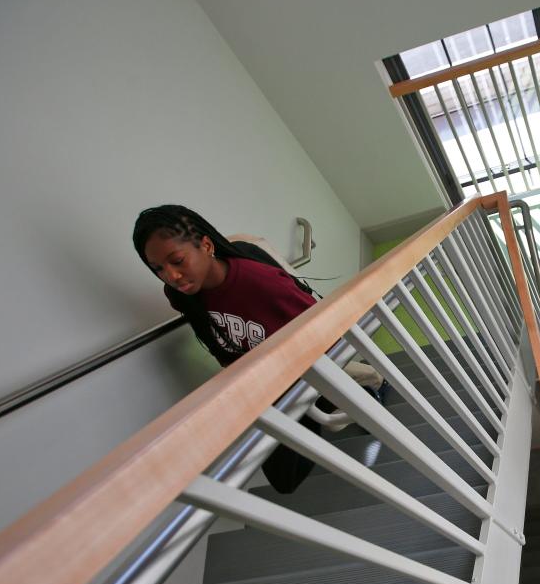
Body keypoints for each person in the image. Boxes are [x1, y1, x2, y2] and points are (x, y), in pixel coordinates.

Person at [132, 204, 383, 493]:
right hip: (269, 383)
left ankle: (367, 393)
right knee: (284, 479)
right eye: (159, 269)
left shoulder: (260, 282)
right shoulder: (181, 296)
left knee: (356, 411)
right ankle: (342, 405)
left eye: (177, 260)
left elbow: (327, 333)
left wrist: (304, 381)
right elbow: (219, 342)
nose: (171, 276)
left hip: (308, 369)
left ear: (206, 245)